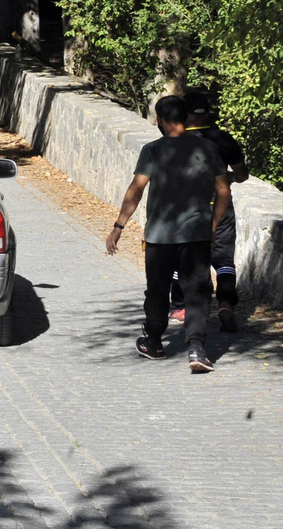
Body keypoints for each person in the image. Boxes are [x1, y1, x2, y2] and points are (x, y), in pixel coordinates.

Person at [105, 96, 231, 372]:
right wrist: (212, 224)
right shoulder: (209, 149)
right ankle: (197, 349)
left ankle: (153, 342)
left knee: (158, 290)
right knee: (197, 291)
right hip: (197, 234)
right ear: (185, 118)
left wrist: (119, 226)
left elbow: (136, 189)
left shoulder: (153, 150)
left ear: (160, 120)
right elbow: (224, 191)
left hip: (160, 237)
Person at [170, 91, 248, 331]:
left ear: (184, 113)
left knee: (181, 258)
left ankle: (181, 306)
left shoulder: (175, 139)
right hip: (220, 205)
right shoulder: (223, 138)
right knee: (224, 258)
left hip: (185, 208)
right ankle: (225, 302)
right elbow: (242, 175)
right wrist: (226, 178)